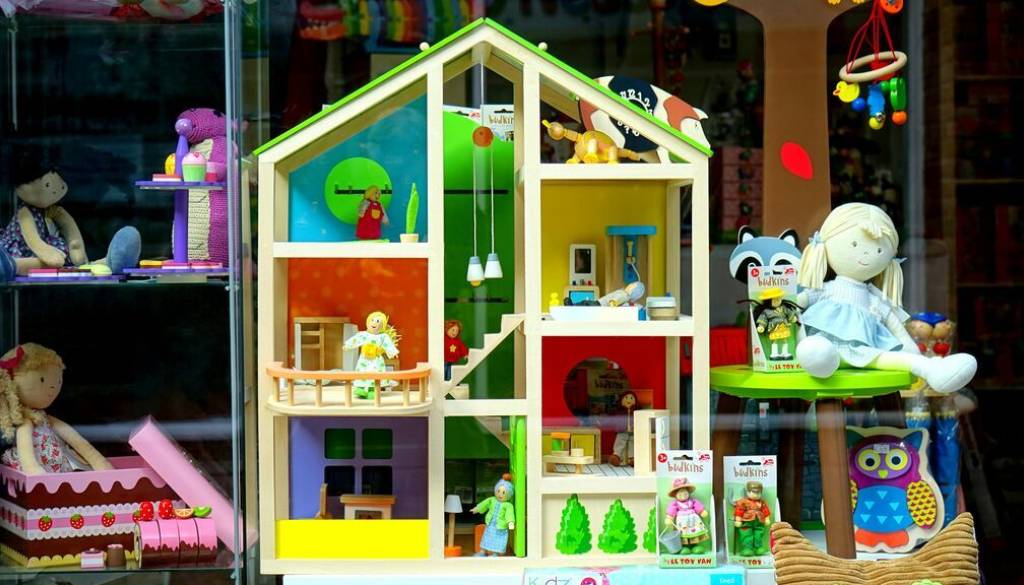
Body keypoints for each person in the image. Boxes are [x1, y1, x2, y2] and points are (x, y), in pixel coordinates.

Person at [797, 203, 976, 393]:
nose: (867, 255)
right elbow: (797, 302)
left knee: (892, 358)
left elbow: (895, 325)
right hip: (823, 347)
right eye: (855, 245)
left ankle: (931, 368)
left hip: (866, 352)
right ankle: (817, 359)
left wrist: (911, 349)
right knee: (815, 350)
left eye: (879, 251)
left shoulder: (874, 299)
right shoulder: (826, 290)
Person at [471, 473, 515, 557]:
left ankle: (495, 553)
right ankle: (483, 551)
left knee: (498, 540)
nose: (500, 494)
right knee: (487, 538)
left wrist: (510, 522)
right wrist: (477, 509)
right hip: (490, 525)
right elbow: (485, 504)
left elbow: (509, 514)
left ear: (509, 493)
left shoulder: (508, 505)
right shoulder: (492, 500)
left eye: (503, 492)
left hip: (500, 527)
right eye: (498, 491)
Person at [664, 477, 710, 554]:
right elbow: (672, 510)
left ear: (688, 492)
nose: (683, 495)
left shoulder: (692, 501)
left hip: (694, 521)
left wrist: (702, 511)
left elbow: (697, 506)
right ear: (675, 495)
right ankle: (684, 547)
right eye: (680, 494)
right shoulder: (675, 504)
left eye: (685, 493)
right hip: (682, 522)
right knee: (683, 535)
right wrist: (669, 518)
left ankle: (695, 546)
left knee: (694, 534)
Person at [733, 481, 771, 556]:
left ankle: (758, 548)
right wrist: (738, 520)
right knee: (746, 535)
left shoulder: (762, 502)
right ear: (747, 492)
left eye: (758, 493)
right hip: (746, 522)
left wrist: (767, 518)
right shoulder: (743, 502)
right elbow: (739, 511)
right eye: (753, 492)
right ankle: (747, 548)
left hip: (759, 522)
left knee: (758, 535)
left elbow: (765, 511)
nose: (756, 495)